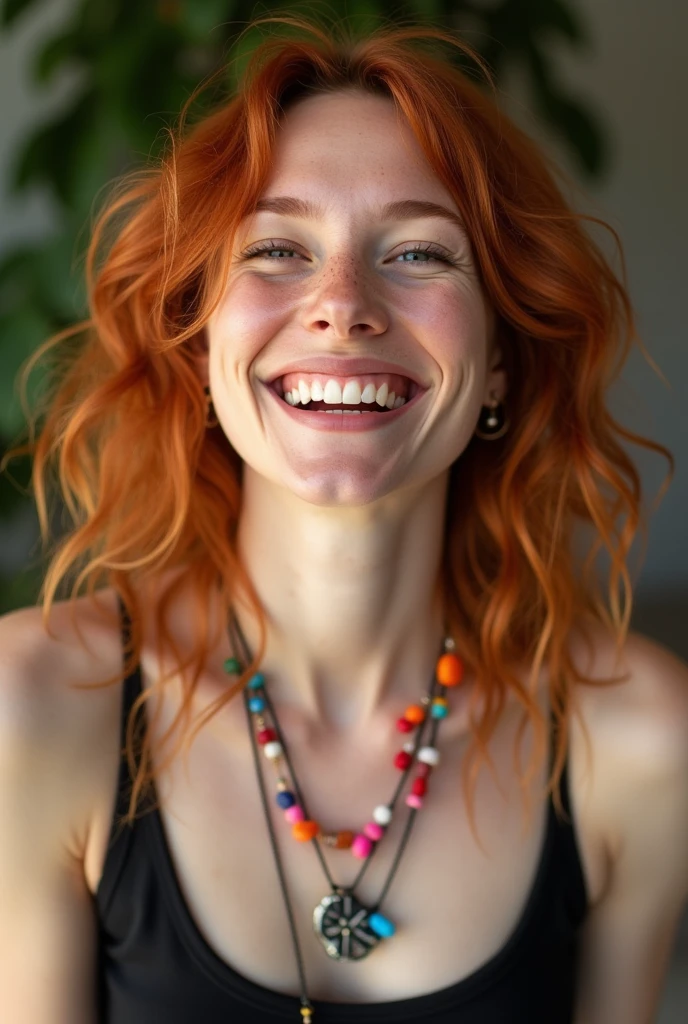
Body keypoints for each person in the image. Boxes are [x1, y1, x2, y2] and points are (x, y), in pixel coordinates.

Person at [1, 15, 687, 1024]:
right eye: (278, 247)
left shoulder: (636, 738)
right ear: (198, 347)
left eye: (417, 253)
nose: (342, 304)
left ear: (500, 356)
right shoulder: (36, 705)